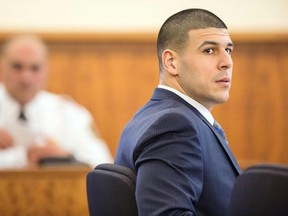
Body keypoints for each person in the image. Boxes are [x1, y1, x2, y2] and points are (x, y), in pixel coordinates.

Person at [115, 8, 242, 216]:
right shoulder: (175, 125)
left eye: (228, 50)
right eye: (209, 50)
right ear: (171, 62)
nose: (227, 62)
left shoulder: (151, 116)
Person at [0, 34, 113, 169]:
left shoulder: (69, 113)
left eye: (34, 68)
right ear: (2, 65)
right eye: (17, 67)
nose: (26, 77)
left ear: (46, 70)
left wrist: (65, 159)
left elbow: (103, 166)